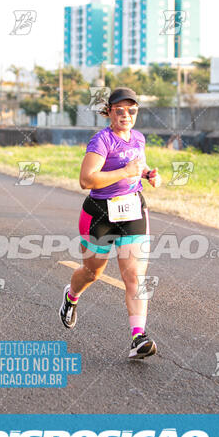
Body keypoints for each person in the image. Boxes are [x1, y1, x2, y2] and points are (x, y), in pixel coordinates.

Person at [60, 87, 162, 359]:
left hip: (132, 212)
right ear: (110, 111)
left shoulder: (138, 138)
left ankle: (138, 337)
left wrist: (148, 174)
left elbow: (137, 167)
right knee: (92, 273)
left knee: (135, 278)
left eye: (132, 110)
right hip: (100, 214)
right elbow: (86, 180)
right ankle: (71, 297)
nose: (126, 115)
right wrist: (124, 172)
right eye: (120, 110)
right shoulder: (101, 141)